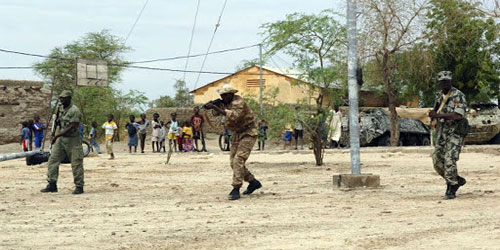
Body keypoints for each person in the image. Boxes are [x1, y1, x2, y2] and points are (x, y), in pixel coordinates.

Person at [204, 84, 262, 200]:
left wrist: (216, 108)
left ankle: (236, 188)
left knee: (238, 159)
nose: (222, 97)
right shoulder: (225, 103)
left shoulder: (238, 102)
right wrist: (213, 106)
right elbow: (216, 114)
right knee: (233, 162)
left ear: (231, 94)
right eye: (221, 95)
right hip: (237, 134)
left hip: (248, 132)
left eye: (224, 95)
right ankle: (252, 181)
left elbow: (234, 116)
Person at [428, 71, 468, 200]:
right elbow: (436, 110)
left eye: (447, 81)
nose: (445, 83)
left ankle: (451, 187)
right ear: (439, 83)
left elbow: (458, 115)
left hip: (455, 132)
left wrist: (438, 116)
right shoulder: (439, 96)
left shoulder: (458, 95)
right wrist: (433, 116)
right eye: (443, 81)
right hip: (442, 132)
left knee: (450, 159)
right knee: (437, 160)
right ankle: (455, 179)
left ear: (451, 81)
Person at [41, 90, 85, 195]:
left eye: (64, 98)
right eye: (60, 98)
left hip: (73, 139)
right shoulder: (60, 108)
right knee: (53, 160)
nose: (61, 100)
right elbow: (57, 122)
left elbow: (72, 126)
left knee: (76, 163)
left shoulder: (74, 111)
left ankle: (79, 186)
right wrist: (54, 133)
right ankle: (52, 184)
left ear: (69, 99)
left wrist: (57, 135)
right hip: (61, 139)